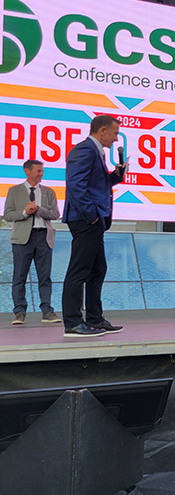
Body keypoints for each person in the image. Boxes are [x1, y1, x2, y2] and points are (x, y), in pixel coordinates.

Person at [61, 115, 126, 337]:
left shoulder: (97, 151)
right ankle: (72, 323)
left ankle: (95, 319)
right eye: (115, 133)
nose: (117, 138)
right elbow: (76, 186)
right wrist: (92, 215)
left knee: (98, 269)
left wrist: (116, 176)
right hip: (85, 219)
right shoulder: (85, 150)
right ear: (102, 130)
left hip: (94, 218)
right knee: (79, 270)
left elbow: (97, 184)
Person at [3, 160, 61, 325]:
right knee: (19, 276)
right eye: (38, 171)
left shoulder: (49, 192)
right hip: (22, 239)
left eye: (42, 171)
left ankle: (47, 311)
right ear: (27, 171)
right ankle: (19, 312)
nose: (41, 174)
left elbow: (55, 214)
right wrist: (25, 212)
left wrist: (39, 210)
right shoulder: (14, 191)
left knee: (45, 277)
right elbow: (7, 215)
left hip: (43, 237)